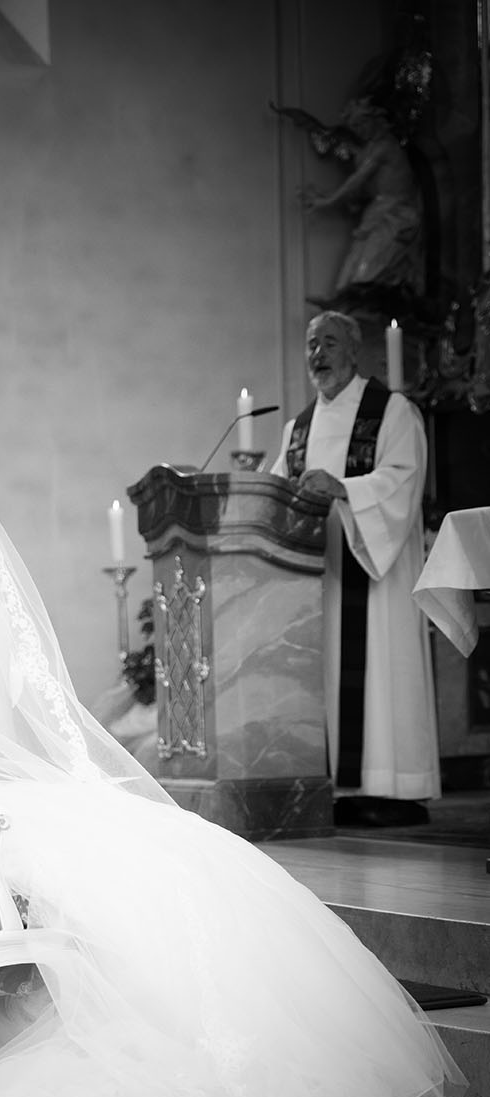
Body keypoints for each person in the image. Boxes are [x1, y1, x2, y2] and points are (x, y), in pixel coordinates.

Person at [0, 461, 463, 1097]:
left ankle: (32, 1029)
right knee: (132, 857)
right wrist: (76, 782)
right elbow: (14, 729)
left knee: (89, 863)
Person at [267, 312, 440, 827]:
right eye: (311, 343)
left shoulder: (392, 412)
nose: (318, 352)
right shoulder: (296, 428)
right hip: (319, 582)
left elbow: (405, 478)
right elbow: (275, 492)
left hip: (373, 573)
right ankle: (336, 790)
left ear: (355, 351)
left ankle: (392, 788)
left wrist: (346, 488)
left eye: (330, 342)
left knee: (380, 672)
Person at [300, 98, 424, 299]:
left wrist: (328, 201)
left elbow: (356, 181)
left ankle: (363, 313)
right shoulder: (369, 150)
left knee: (366, 274)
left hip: (396, 215)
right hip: (378, 212)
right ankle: (342, 311)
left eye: (361, 124)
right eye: (354, 127)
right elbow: (365, 188)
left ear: (374, 120)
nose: (359, 130)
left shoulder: (386, 147)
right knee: (347, 277)